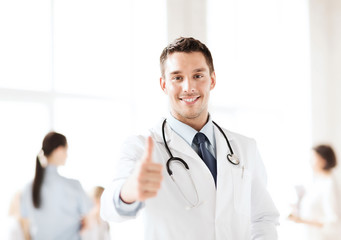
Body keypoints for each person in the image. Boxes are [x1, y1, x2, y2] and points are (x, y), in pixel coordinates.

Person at [101, 37, 279, 239]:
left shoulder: (245, 148)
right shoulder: (140, 147)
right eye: (177, 77)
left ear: (212, 80)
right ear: (163, 84)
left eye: (198, 75)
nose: (188, 87)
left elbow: (263, 217)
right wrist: (128, 192)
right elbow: (109, 209)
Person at [20, 131, 92, 240]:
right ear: (59, 150)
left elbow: (25, 228)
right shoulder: (73, 186)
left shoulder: (28, 188)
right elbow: (88, 222)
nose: (67, 155)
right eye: (66, 151)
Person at [289, 144, 341, 240]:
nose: (310, 161)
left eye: (313, 158)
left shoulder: (329, 184)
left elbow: (333, 221)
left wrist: (302, 220)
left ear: (323, 161)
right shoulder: (318, 182)